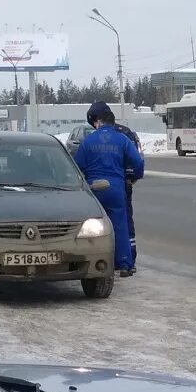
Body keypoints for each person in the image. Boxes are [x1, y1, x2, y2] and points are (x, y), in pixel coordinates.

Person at [74, 100, 143, 276]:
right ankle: (125, 265)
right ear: (113, 123)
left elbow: (77, 166)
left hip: (93, 189)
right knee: (120, 226)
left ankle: (94, 261)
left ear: (98, 122)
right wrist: (134, 177)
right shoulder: (123, 139)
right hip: (115, 188)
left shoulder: (88, 141)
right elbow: (137, 162)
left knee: (92, 226)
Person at [109, 108, 144, 271]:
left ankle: (117, 258)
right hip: (124, 184)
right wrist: (132, 178)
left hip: (111, 185)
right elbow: (137, 159)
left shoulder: (112, 136)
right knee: (125, 221)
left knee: (113, 222)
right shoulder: (126, 133)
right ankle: (129, 258)